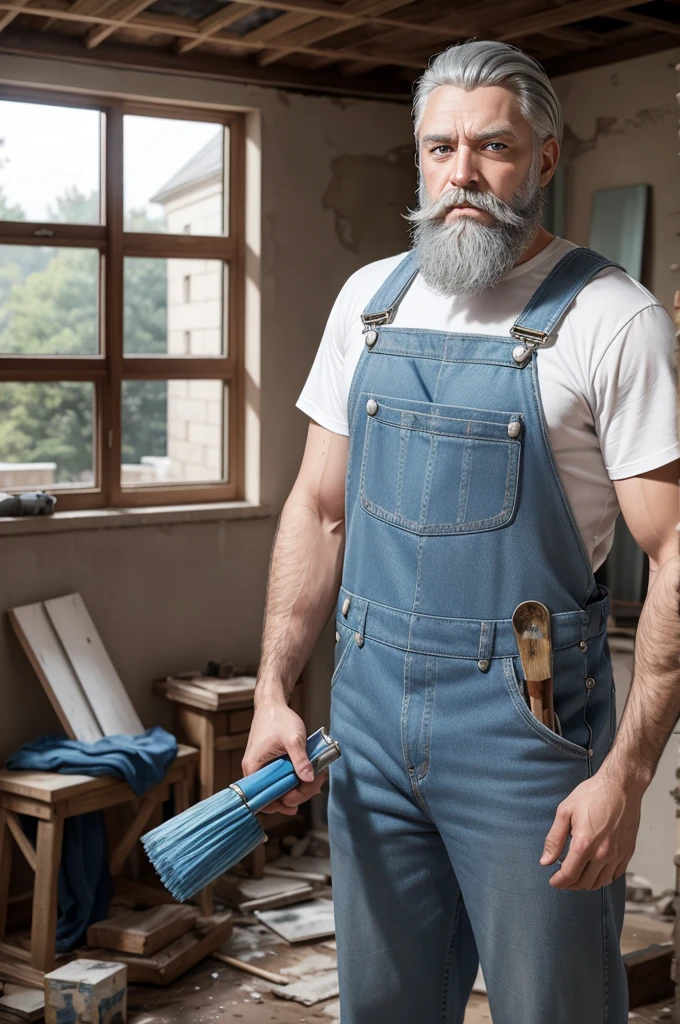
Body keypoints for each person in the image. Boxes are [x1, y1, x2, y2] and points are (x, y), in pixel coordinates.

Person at [242, 40, 680, 1023]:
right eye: (439, 149)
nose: (461, 176)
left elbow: (672, 555)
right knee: (384, 1006)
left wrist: (627, 772)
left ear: (544, 160)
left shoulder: (611, 319)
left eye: (491, 148)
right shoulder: (368, 302)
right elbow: (317, 510)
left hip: (525, 727)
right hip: (364, 722)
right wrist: (274, 692)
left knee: (551, 1008)